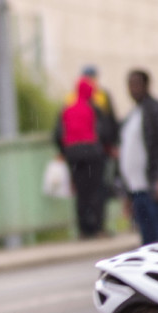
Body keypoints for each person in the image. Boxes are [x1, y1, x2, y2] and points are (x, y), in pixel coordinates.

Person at [55, 77, 119, 239]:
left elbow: (58, 134)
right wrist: (108, 147)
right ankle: (98, 228)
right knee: (96, 190)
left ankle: (84, 230)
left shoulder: (67, 109)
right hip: (92, 153)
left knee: (80, 191)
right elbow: (105, 132)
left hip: (73, 154)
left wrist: (64, 151)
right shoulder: (94, 109)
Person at [117, 69, 158, 244]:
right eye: (130, 85)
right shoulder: (131, 116)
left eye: (137, 84)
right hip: (136, 189)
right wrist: (126, 193)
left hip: (154, 188)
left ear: (146, 85)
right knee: (148, 245)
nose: (133, 89)